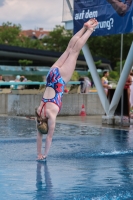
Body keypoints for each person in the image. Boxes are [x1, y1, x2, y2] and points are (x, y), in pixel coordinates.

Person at [35, 18, 98, 161]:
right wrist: (38, 152)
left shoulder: (51, 115)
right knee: (69, 49)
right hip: (51, 75)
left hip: (60, 80)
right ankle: (84, 27)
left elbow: (49, 137)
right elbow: (38, 136)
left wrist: (45, 155)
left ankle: (90, 29)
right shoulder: (39, 112)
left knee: (75, 51)